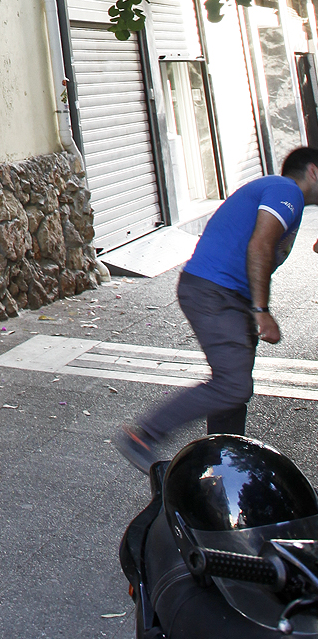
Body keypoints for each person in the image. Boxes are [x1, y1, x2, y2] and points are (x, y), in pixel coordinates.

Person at [115, 145, 318, 474]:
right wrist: (261, 308)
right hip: (214, 292)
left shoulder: (284, 196)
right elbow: (261, 244)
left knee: (233, 392)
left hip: (226, 295)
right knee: (233, 385)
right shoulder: (286, 191)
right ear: (313, 171)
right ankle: (142, 436)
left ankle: (225, 466)